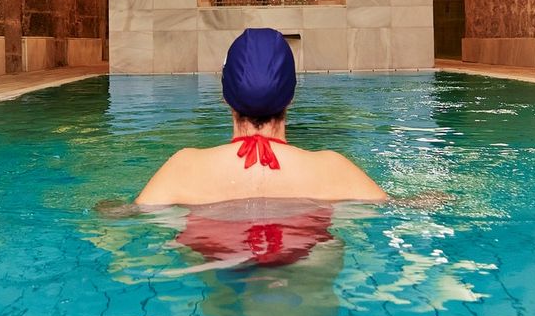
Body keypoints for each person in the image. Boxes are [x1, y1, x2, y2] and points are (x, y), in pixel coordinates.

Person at [136, 28, 386, 206]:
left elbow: (123, 216)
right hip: (305, 276)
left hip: (219, 274)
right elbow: (403, 208)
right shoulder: (333, 169)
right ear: (291, 96)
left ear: (226, 97)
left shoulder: (184, 168)